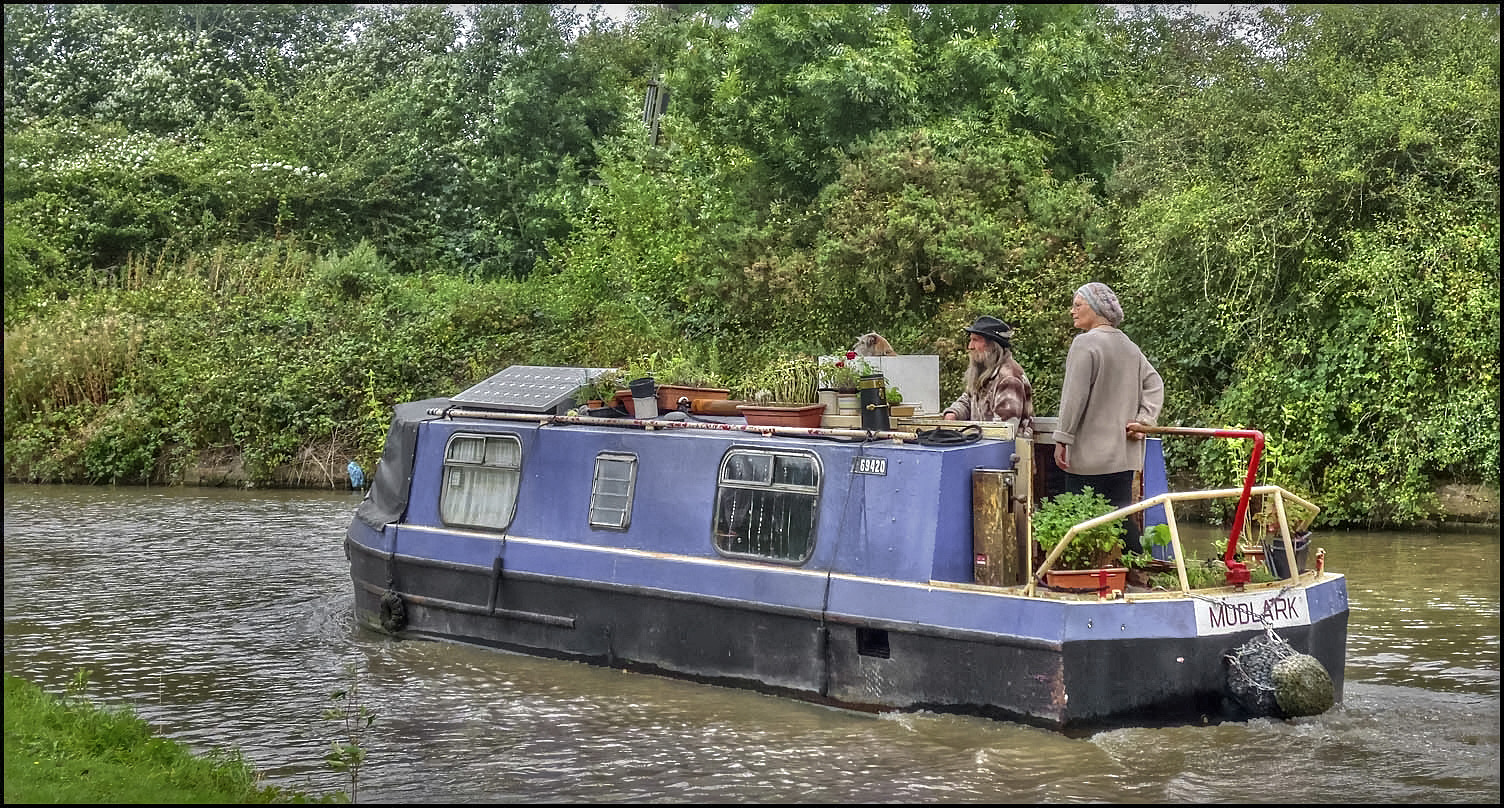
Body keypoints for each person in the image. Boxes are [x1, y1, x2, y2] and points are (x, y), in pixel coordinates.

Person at [1052, 282, 1164, 553]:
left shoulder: (1085, 344)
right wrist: (1144, 421)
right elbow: (1155, 384)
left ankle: (1083, 576)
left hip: (1089, 457)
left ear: (1096, 309)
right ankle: (1135, 569)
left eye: (1078, 305)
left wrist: (1062, 438)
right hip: (1124, 455)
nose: (1072, 311)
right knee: (1121, 518)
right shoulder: (1129, 346)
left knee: (1081, 519)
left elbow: (1073, 398)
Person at [942, 315, 1034, 438]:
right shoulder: (986, 374)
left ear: (993, 346)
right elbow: (967, 400)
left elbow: (1003, 431)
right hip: (983, 448)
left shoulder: (1009, 379)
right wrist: (953, 414)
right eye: (971, 340)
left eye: (976, 340)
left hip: (1009, 454)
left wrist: (963, 434)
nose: (970, 346)